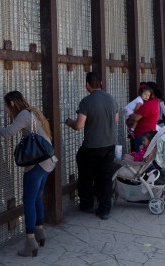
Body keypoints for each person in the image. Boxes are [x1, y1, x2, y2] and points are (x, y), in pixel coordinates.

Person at [0, 91, 57, 257]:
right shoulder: (33, 111)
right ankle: (40, 232)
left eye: (5, 106)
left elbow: (7, 133)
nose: (5, 109)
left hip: (38, 163)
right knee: (37, 196)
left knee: (28, 201)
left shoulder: (24, 114)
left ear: (11, 103)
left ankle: (30, 241)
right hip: (48, 160)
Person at [65, 71, 118, 220]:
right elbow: (116, 119)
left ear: (87, 84)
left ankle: (87, 204)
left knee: (86, 176)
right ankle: (104, 209)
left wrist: (68, 121)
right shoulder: (111, 99)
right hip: (109, 145)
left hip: (92, 147)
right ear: (100, 83)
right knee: (105, 177)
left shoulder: (86, 101)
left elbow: (78, 126)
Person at [129, 82, 161, 153]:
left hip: (143, 137)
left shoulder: (149, 104)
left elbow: (136, 117)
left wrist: (129, 113)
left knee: (139, 158)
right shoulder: (155, 102)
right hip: (146, 135)